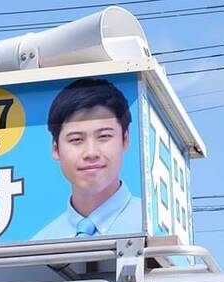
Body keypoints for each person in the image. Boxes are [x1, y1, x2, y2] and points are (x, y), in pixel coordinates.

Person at [33, 78, 143, 241]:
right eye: (76, 139)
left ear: (125, 139)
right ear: (56, 149)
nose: (91, 153)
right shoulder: (40, 244)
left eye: (104, 136)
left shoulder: (152, 225)